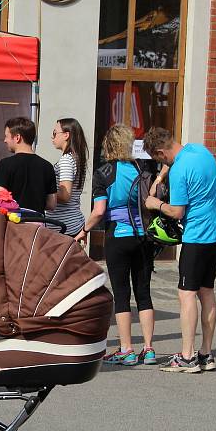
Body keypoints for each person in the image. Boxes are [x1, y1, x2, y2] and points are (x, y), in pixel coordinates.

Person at [143, 127, 216, 373]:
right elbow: (171, 161)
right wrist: (160, 177)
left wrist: (155, 203)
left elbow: (177, 211)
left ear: (160, 151)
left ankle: (187, 356)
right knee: (207, 291)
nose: (160, 164)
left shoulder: (180, 169)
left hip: (197, 236)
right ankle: (206, 353)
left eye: (158, 159)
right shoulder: (199, 151)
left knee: (186, 293)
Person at [75, 124, 156, 366]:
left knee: (121, 294)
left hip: (118, 236)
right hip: (143, 236)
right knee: (143, 292)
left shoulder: (104, 172)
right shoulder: (141, 167)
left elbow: (99, 210)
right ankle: (149, 349)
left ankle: (126, 349)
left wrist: (84, 230)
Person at [0, 116, 57, 215]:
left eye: (7, 136)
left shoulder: (4, 165)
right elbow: (51, 204)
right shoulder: (47, 167)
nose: (5, 140)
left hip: (13, 224)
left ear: (17, 138)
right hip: (37, 225)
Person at [45, 118, 89, 236]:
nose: (52, 137)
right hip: (72, 223)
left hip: (63, 226)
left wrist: (42, 191)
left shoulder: (66, 160)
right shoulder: (76, 158)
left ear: (66, 135)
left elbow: (65, 195)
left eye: (55, 133)